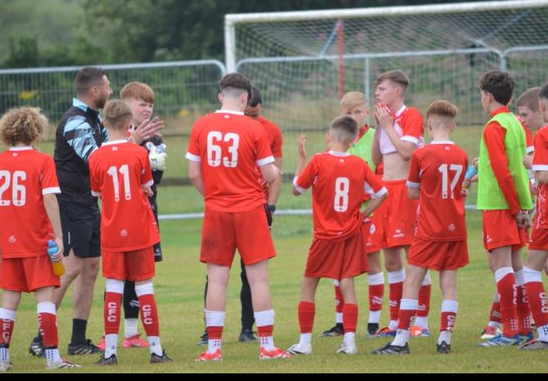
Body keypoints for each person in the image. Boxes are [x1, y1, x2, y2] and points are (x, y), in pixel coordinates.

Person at [29, 67, 163, 358]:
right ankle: (42, 336)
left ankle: (78, 339)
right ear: (94, 91)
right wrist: (134, 144)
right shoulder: (75, 121)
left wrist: (131, 140)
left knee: (90, 269)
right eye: (107, 87)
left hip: (88, 204)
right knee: (72, 267)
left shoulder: (93, 118)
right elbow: (98, 159)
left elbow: (111, 150)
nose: (111, 91)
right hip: (71, 203)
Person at [187, 72, 288, 362]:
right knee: (258, 279)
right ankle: (266, 346)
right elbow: (269, 174)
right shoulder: (253, 128)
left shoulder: (201, 125)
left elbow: (194, 173)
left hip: (217, 209)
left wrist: (212, 196)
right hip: (249, 209)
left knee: (217, 279)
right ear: (245, 98)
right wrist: (274, 174)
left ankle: (213, 349)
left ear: (221, 96)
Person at [372, 100, 469, 357]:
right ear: (453, 126)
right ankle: (444, 340)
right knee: (449, 282)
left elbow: (413, 192)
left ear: (427, 125)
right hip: (455, 227)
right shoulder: (461, 154)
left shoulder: (421, 154)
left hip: (428, 227)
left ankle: (400, 341)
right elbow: (459, 191)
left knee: (412, 280)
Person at [287, 116, 387, 356]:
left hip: (325, 235)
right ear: (353, 141)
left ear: (328, 138)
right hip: (351, 234)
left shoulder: (318, 161)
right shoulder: (359, 164)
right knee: (347, 283)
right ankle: (350, 342)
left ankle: (304, 343)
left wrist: (301, 158)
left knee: (309, 283)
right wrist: (363, 215)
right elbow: (382, 192)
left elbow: (296, 189)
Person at [0, 107, 80, 371]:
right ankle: (53, 358)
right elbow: (49, 198)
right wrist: (58, 233)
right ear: (36, 131)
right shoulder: (42, 161)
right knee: (45, 299)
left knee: (8, 302)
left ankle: (2, 358)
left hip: (10, 244)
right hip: (37, 241)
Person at [88, 100, 171, 365]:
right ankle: (156, 350)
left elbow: (98, 193)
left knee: (113, 288)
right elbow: (147, 185)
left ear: (103, 123)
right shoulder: (138, 153)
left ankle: (110, 352)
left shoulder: (95, 156)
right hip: (139, 229)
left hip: (112, 230)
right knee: (144, 287)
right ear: (128, 125)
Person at [319, 92, 387, 339]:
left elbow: (380, 175)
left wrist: (365, 206)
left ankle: (373, 322)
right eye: (348, 113)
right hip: (341, 217)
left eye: (358, 112)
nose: (354, 117)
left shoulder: (375, 138)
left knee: (371, 264)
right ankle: (339, 323)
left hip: (367, 212)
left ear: (366, 112)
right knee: (339, 268)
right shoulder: (336, 143)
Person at [474, 70, 534, 347]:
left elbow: (503, 171)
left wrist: (512, 208)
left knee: (501, 267)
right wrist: (522, 207)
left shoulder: (494, 127)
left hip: (500, 205)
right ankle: (522, 327)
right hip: (517, 203)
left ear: (487, 96)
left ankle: (509, 332)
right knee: (517, 265)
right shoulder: (515, 123)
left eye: (481, 94)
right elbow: (517, 166)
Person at [371, 70, 431, 337]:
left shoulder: (411, 115)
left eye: (382, 89)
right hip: (386, 192)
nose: (376, 93)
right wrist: (377, 128)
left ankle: (422, 321)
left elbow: (407, 153)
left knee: (414, 256)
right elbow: (376, 158)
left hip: (405, 193)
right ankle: (396, 321)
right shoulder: (384, 119)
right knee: (392, 261)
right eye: (376, 89)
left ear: (397, 91)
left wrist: (386, 126)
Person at [520, 80, 548, 350]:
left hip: (546, 214)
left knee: (530, 271)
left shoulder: (543, 135)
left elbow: (541, 175)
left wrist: (530, 163)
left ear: (542, 106)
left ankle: (544, 333)